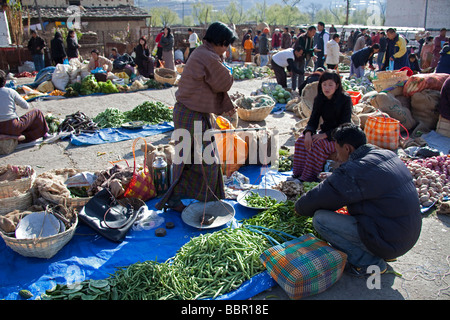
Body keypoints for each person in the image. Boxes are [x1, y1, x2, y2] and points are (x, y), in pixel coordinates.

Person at [295, 123, 422, 276]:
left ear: (347, 148)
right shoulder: (385, 154)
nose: (336, 155)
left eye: (337, 150)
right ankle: (380, 252)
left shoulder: (354, 171)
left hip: (390, 240)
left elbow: (318, 198)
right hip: (405, 235)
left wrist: (298, 208)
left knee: (321, 219)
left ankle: (370, 262)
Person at [154, 22, 237, 213]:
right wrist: (229, 69)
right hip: (191, 114)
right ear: (221, 42)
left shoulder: (202, 52)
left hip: (189, 112)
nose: (226, 49)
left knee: (189, 158)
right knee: (206, 159)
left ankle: (186, 198)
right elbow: (224, 82)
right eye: (226, 45)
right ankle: (206, 198)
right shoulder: (208, 56)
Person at [293, 71, 352, 182]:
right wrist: (308, 133)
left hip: (340, 136)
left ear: (337, 85)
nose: (327, 88)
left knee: (318, 145)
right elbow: (313, 119)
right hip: (324, 132)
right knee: (301, 141)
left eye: (330, 84)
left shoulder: (345, 99)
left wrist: (326, 135)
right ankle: (298, 174)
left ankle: (309, 177)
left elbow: (345, 124)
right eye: (324, 84)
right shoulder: (319, 99)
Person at [0, 70, 49, 143]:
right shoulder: (10, 91)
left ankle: (10, 137)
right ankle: (45, 134)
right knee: (37, 112)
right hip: (13, 126)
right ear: (4, 82)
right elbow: (26, 106)